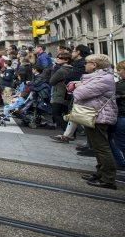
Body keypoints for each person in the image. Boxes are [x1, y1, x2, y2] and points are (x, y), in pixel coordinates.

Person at [70, 54, 118, 189]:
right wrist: (77, 86)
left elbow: (79, 94)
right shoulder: (98, 77)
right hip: (94, 115)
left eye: (87, 63)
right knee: (97, 147)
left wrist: (77, 86)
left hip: (99, 117)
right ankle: (100, 173)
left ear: (94, 65)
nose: (85, 65)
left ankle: (108, 179)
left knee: (102, 148)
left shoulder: (103, 79)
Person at [48, 52, 73, 131]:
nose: (57, 59)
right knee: (66, 114)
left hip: (59, 94)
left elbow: (51, 81)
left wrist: (54, 69)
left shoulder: (61, 70)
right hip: (67, 94)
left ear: (66, 60)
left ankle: (67, 132)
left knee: (56, 114)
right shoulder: (72, 69)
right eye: (57, 57)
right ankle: (71, 133)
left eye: (60, 58)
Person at [112, 61, 125, 174]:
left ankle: (121, 163)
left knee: (120, 143)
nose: (118, 72)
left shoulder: (121, 84)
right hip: (121, 115)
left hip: (122, 116)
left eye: (120, 70)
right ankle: (120, 162)